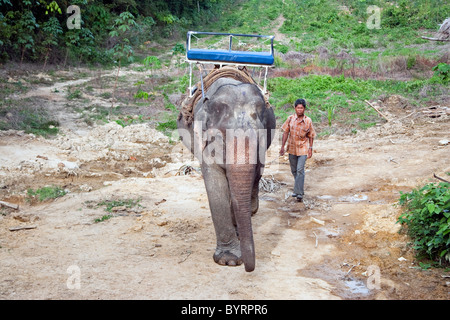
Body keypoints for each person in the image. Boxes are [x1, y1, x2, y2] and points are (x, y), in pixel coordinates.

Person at [279, 99, 316, 202]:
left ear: (304, 109)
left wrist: (310, 148)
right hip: (291, 148)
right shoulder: (290, 119)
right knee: (294, 170)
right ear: (295, 108)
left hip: (303, 148)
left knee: (300, 170)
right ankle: (300, 189)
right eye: (298, 108)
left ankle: (298, 193)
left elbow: (311, 135)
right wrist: (282, 147)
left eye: (301, 108)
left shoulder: (308, 120)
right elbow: (285, 133)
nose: (299, 110)